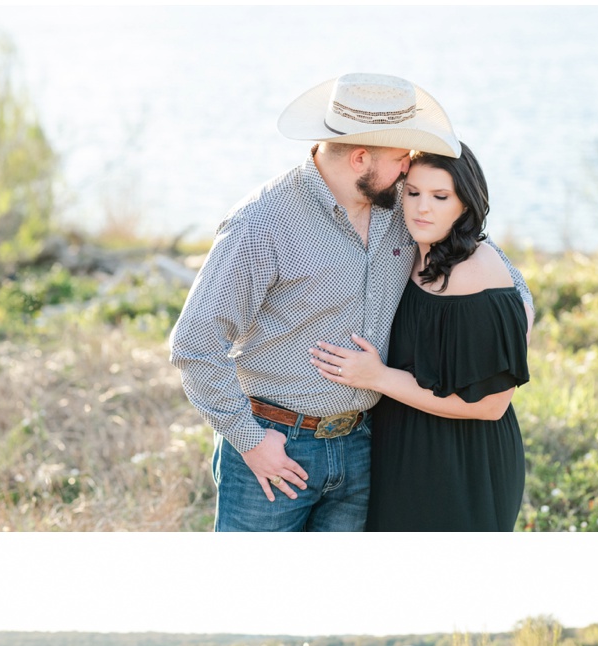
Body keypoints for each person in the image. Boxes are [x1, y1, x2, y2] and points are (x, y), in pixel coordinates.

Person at [170, 72, 533, 532]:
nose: (409, 169)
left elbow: (482, 254)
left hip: (367, 444)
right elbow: (194, 344)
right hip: (278, 446)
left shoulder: (403, 202)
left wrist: (515, 310)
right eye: (401, 159)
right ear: (361, 158)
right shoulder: (262, 225)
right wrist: (251, 441)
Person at [310, 143, 530, 531]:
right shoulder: (412, 249)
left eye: (440, 196)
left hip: (461, 460)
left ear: (465, 204)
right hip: (401, 446)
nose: (421, 207)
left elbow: (492, 404)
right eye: (412, 193)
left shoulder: (475, 273)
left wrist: (377, 377)